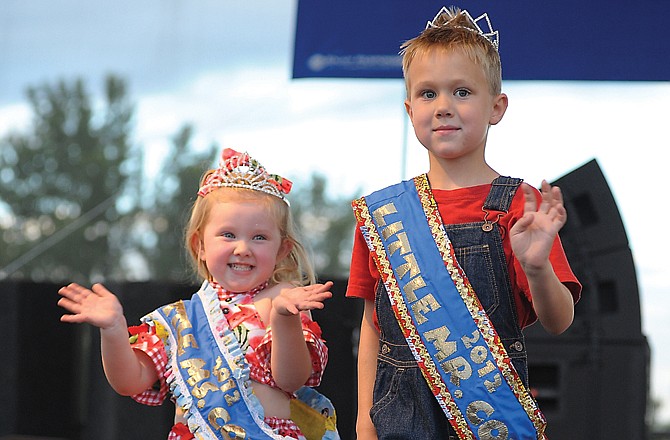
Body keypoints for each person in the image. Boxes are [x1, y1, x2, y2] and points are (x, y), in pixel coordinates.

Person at [346, 6, 582, 440]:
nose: (443, 107)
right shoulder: (382, 215)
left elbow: (560, 320)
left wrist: (537, 267)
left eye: (461, 92)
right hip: (398, 413)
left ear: (496, 107)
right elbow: (371, 325)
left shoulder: (521, 205)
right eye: (428, 94)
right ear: (408, 108)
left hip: (487, 413)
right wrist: (364, 418)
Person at [58, 148, 340, 439]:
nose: (242, 248)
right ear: (200, 246)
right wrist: (114, 329)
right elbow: (131, 381)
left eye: (259, 237)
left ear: (281, 249)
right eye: (228, 235)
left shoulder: (282, 300)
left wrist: (284, 320)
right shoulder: (177, 320)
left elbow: (292, 379)